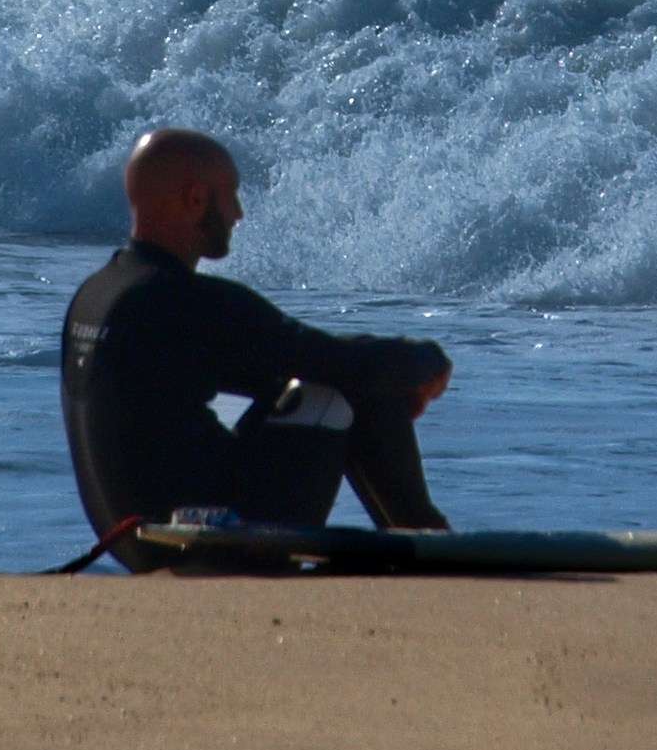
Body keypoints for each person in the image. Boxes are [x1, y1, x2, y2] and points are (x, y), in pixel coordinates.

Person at [59, 127, 452, 567]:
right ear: (195, 200)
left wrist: (383, 371)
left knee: (344, 375)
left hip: (137, 546)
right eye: (231, 195)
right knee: (340, 387)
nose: (239, 213)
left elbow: (280, 362)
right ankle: (428, 539)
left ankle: (420, 538)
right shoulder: (185, 301)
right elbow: (334, 363)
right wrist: (426, 361)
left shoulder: (97, 296)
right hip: (212, 545)